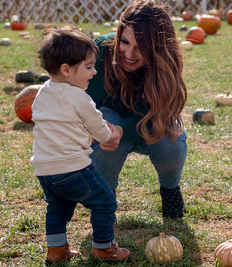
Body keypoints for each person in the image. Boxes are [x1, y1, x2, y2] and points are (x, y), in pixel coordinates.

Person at [31, 25, 130, 264]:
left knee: (58, 208)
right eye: (88, 67)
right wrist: (113, 132)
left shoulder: (43, 92)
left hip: (45, 170)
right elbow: (100, 130)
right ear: (66, 70)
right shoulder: (79, 97)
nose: (94, 72)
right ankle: (104, 248)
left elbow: (57, 124)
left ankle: (56, 250)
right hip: (73, 168)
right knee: (104, 201)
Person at [86, 0, 188, 219]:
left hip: (152, 124)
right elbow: (83, 102)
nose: (129, 54)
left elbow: (160, 113)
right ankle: (105, 198)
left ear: (157, 48)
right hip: (109, 125)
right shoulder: (101, 52)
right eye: (124, 42)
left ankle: (170, 190)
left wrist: (123, 129)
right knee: (105, 124)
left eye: (141, 48)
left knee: (171, 138)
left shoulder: (165, 64)